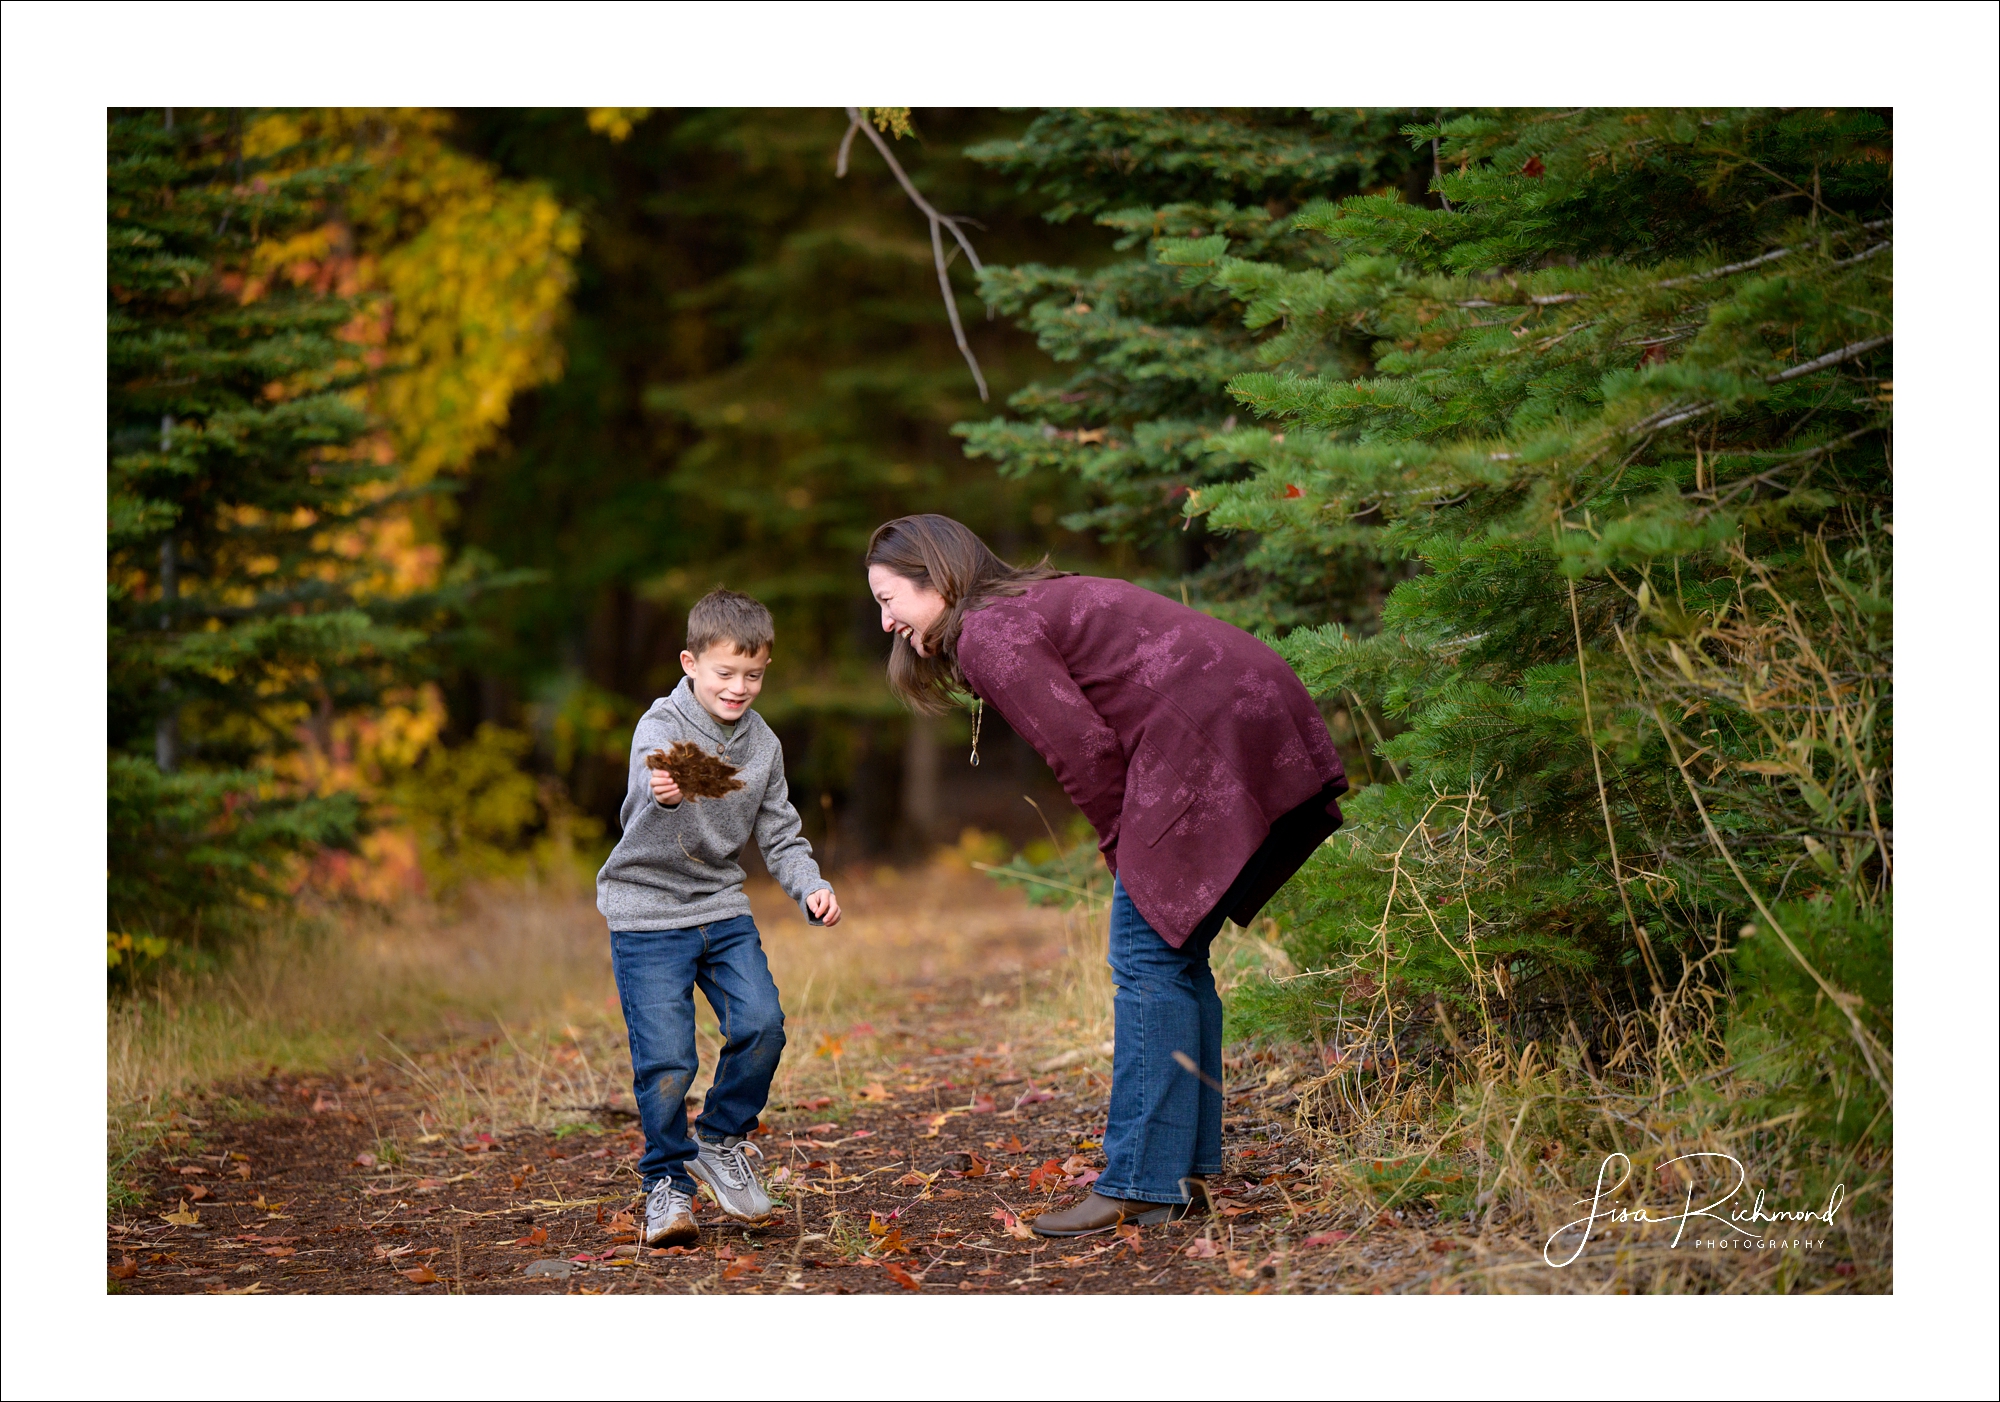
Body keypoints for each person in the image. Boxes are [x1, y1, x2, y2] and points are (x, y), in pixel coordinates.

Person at [864, 515, 1345, 1237]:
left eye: (888, 598)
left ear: (936, 578)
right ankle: (1177, 1177)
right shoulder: (1020, 604)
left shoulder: (989, 630)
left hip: (1204, 734)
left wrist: (1123, 846)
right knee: (1173, 959)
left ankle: (1141, 1184)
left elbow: (1082, 750)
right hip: (1240, 712)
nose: (884, 621)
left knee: (1147, 957)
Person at [597, 588, 842, 1247]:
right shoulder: (659, 729)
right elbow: (637, 814)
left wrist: (809, 887)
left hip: (720, 906)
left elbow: (781, 835)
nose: (740, 687)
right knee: (667, 1059)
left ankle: (721, 1139)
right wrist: (665, 796)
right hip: (646, 913)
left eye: (754, 675)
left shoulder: (763, 745)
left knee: (763, 1024)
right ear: (690, 663)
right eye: (725, 673)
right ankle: (667, 1185)